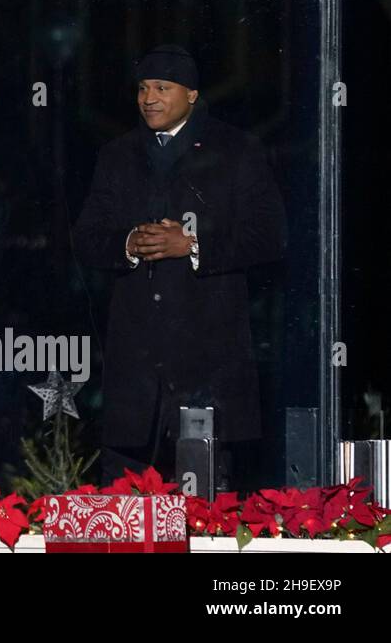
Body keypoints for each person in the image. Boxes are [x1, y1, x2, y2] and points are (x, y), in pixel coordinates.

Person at [71, 45, 285, 488]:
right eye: (143, 88)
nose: (149, 98)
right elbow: (85, 239)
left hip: (209, 365)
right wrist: (128, 243)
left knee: (208, 508)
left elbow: (270, 237)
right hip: (135, 378)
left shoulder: (238, 150)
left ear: (191, 94)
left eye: (162, 88)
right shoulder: (117, 154)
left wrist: (190, 244)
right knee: (123, 508)